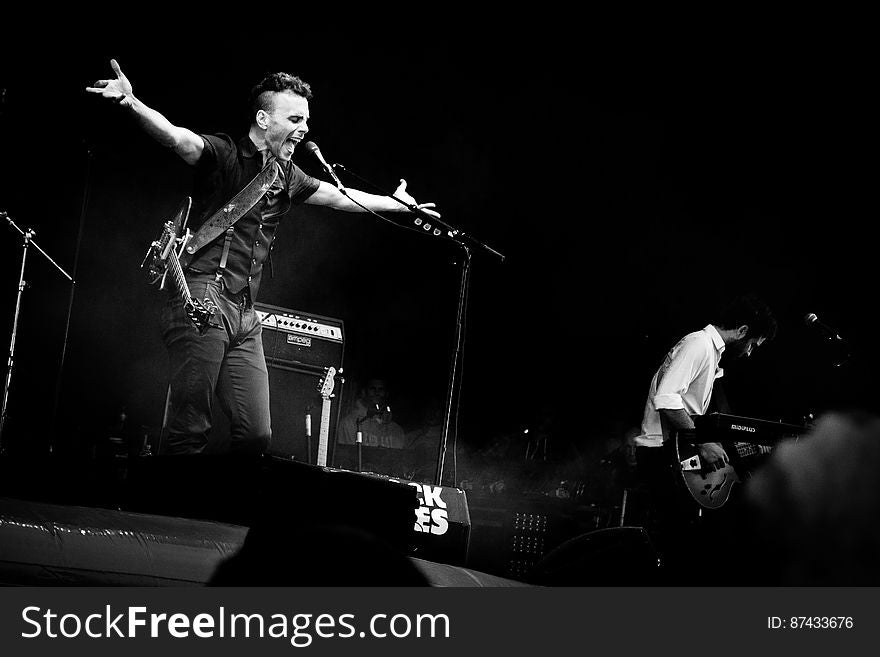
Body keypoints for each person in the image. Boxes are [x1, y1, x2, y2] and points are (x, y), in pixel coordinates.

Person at [86, 61, 440, 455]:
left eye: (306, 119)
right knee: (190, 428)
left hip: (244, 314)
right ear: (263, 118)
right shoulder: (226, 155)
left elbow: (340, 197)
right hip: (201, 298)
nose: (304, 128)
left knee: (257, 436)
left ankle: (222, 511)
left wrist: (397, 204)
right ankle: (169, 512)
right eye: (294, 118)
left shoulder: (286, 174)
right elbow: (177, 138)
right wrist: (132, 103)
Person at [631, 294, 777, 573]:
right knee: (673, 547)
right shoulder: (698, 344)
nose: (749, 353)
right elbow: (667, 399)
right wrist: (701, 441)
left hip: (672, 453)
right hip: (662, 454)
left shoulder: (710, 354)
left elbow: (690, 409)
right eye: (752, 346)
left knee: (681, 545)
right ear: (743, 331)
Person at [337, 378, 406, 450]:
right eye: (372, 389)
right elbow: (346, 455)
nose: (377, 393)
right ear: (364, 392)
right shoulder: (349, 423)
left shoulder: (396, 430)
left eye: (381, 390)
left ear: (386, 394)